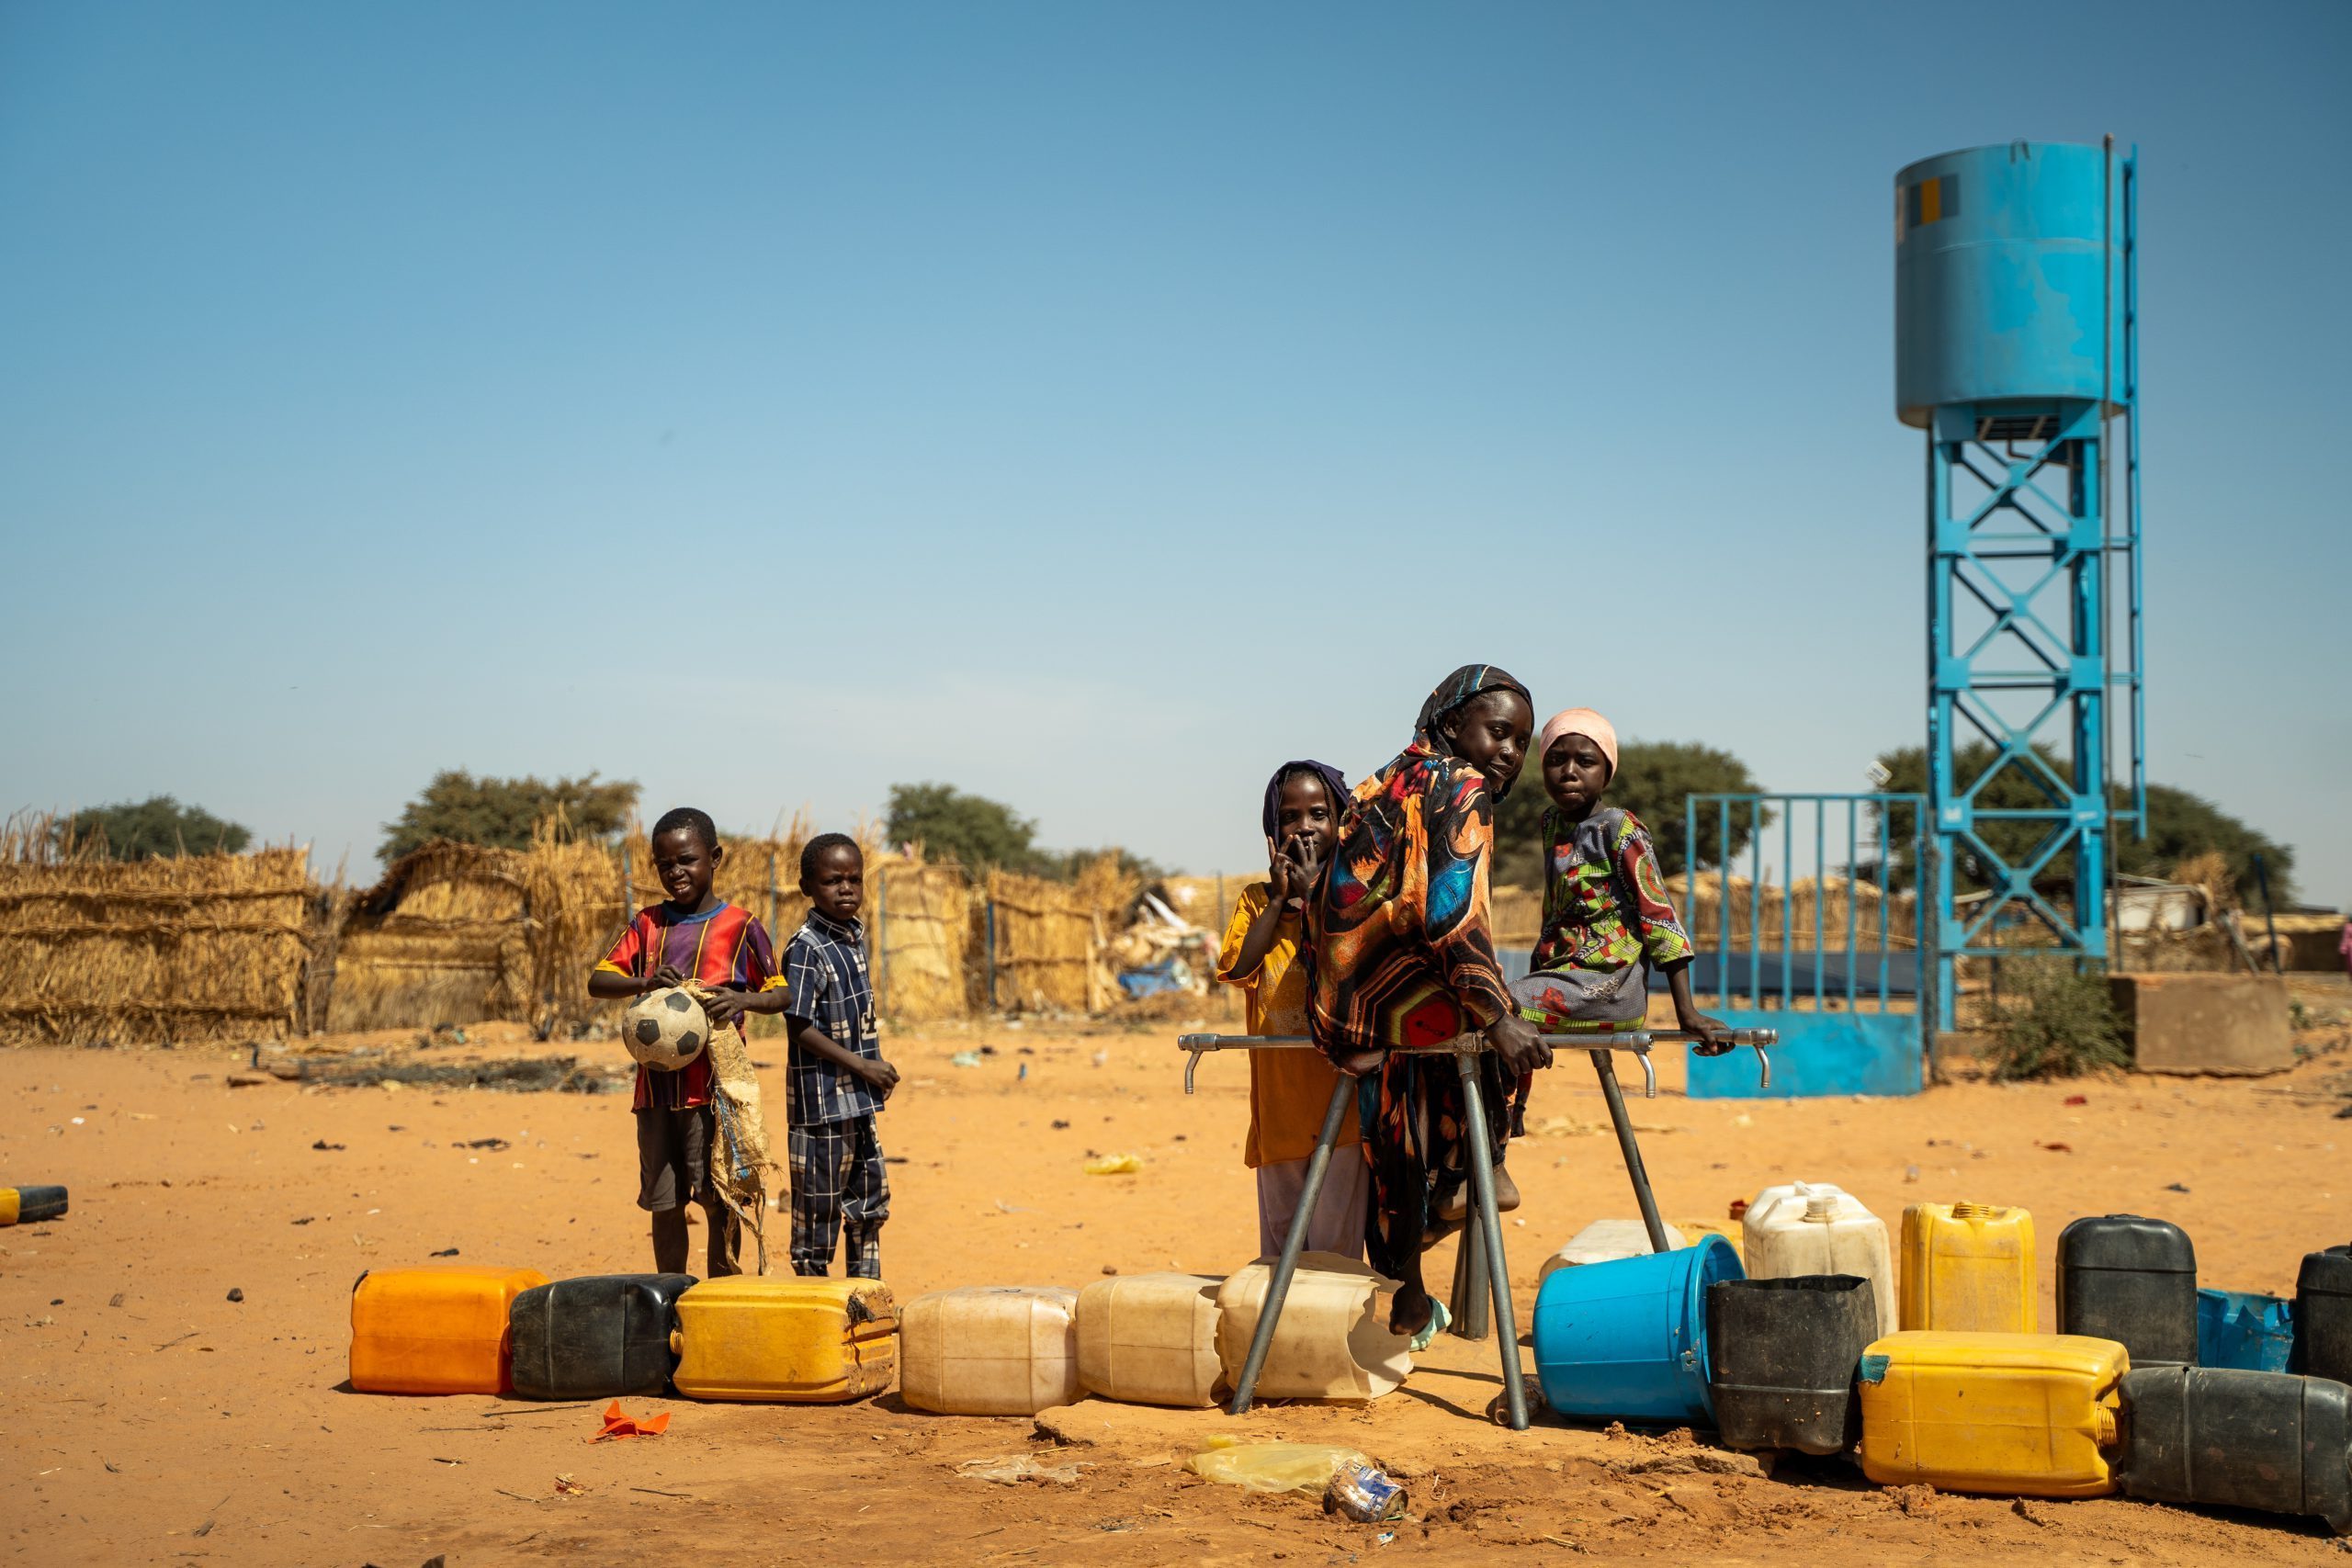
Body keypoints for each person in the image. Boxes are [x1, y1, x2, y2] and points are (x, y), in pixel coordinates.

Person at [1306, 664, 1550, 1342]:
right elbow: (1451, 915)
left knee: (1401, 1105)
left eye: (1520, 742)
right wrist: (1496, 1017)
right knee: (1509, 1019)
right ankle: (1482, 1161)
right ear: (1452, 724)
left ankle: (1409, 1279)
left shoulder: (1385, 777)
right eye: (1498, 732)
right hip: (1397, 993)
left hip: (1346, 1002)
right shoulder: (1462, 784)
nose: (1508, 751)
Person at [588, 807, 789, 1276]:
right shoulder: (648, 924)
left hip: (716, 1094)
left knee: (719, 1197)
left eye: (687, 860)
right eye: (664, 865)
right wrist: (644, 983)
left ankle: (721, 1294)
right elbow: (598, 980)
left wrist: (741, 1000)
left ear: (715, 858)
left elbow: (779, 992)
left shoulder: (741, 926)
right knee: (665, 1202)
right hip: (656, 1092)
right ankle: (670, 1293)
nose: (675, 872)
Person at [1510, 707, 1732, 1061]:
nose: (1569, 772)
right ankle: (1511, 1113)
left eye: (1585, 762)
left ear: (1607, 774)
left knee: (1497, 1009)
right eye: (1556, 760)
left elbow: (1659, 917)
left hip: (1608, 989)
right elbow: (1554, 915)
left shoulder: (1618, 829)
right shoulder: (1552, 823)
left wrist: (1686, 1012)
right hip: (1561, 980)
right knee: (1490, 1007)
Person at [1216, 760, 1368, 1260]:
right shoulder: (1256, 902)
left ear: (1342, 823)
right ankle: (1282, 1339)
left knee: (1335, 1250)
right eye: (1290, 816)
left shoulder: (1354, 900)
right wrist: (1282, 900)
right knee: (1282, 1248)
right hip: (1279, 1109)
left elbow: (1349, 960)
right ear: (1271, 832)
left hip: (1342, 1110)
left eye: (1319, 814)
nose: (1304, 827)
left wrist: (1314, 897)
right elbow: (1239, 967)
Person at [781, 833, 899, 1278]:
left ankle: (864, 1300)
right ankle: (816, 1312)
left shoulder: (852, 940)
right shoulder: (806, 947)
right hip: (822, 1105)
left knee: (869, 1201)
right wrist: (861, 1064)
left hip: (859, 1099)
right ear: (807, 886)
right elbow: (798, 1026)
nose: (846, 889)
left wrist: (869, 1070)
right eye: (833, 881)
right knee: (819, 1211)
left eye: (855, 879)